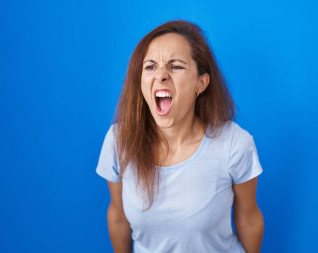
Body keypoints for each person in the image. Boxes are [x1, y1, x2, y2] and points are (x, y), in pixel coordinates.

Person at [96, 20, 264, 253]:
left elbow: (249, 219)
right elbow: (118, 217)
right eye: (150, 66)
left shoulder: (235, 143)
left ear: (200, 83)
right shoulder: (118, 141)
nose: (161, 75)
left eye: (175, 66)